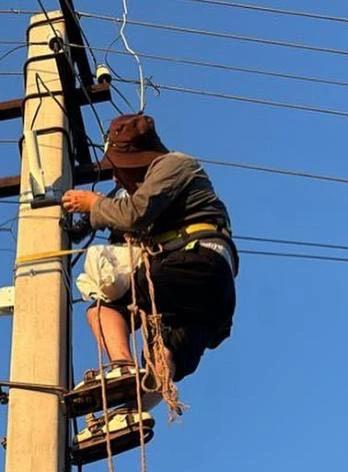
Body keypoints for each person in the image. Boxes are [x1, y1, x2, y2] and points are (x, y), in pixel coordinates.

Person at [61, 113, 238, 408]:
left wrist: (93, 205)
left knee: (103, 308)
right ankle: (133, 413)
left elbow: (133, 214)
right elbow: (125, 220)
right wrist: (89, 221)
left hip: (195, 262)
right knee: (163, 353)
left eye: (120, 170)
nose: (116, 178)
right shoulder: (161, 184)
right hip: (210, 292)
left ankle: (122, 365)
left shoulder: (174, 165)